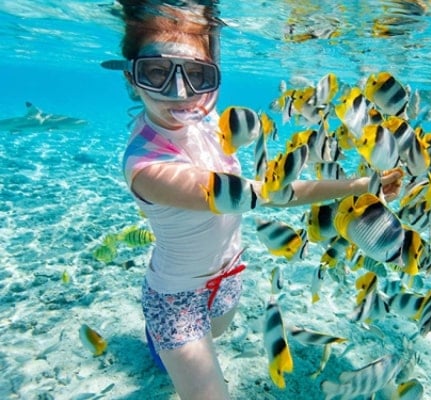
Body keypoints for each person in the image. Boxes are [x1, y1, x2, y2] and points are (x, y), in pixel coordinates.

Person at [102, 1, 403, 399]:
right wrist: (359, 185)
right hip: (176, 297)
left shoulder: (207, 121)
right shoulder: (149, 168)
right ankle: (160, 339)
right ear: (131, 78)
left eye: (197, 75)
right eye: (156, 72)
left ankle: (164, 350)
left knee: (215, 333)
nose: (180, 92)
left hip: (230, 274)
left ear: (213, 78)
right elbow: (270, 195)